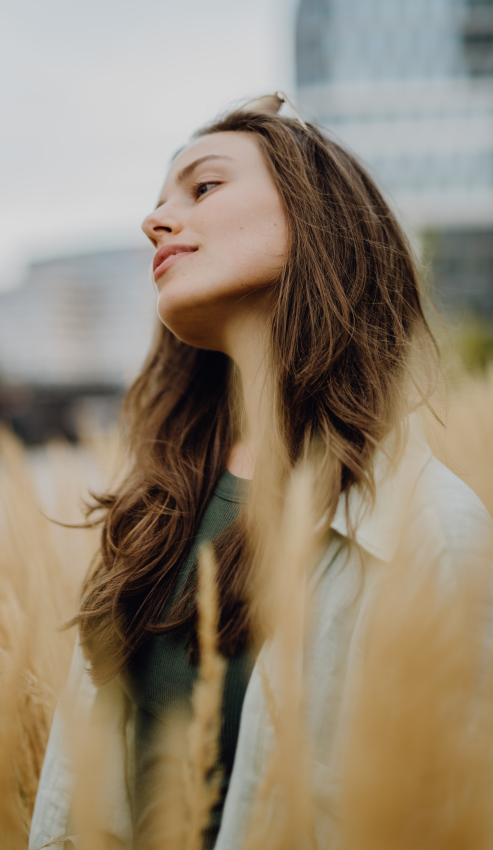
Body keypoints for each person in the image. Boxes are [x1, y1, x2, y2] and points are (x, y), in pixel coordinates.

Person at [29, 93, 492, 850]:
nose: (156, 221)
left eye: (202, 187)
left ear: (315, 214)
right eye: (157, 203)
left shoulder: (433, 530)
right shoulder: (161, 503)